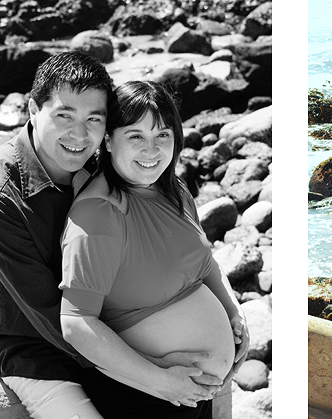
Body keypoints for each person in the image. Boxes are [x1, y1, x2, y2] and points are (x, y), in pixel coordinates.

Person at [0, 53, 221, 419]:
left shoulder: (95, 164)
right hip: (37, 351)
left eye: (94, 119)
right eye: (64, 115)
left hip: (106, 331)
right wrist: (152, 369)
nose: (79, 135)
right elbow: (52, 316)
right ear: (33, 109)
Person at [59, 80, 249, 419]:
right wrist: (161, 381)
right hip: (146, 399)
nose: (152, 150)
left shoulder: (172, 190)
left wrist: (234, 312)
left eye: (162, 135)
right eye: (136, 136)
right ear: (107, 139)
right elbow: (76, 323)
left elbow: (204, 266)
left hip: (192, 397)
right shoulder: (98, 215)